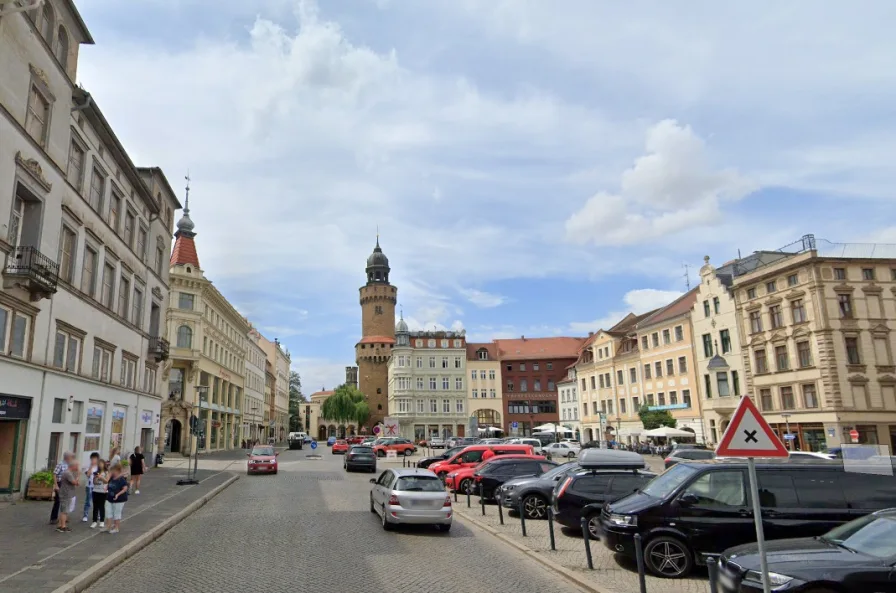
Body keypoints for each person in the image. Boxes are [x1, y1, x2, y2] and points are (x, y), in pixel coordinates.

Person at [49, 452, 73, 525]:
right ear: (66, 457)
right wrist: (56, 485)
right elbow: (54, 474)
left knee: (66, 501)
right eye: (70, 457)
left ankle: (64, 518)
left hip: (67, 485)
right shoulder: (60, 464)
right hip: (60, 484)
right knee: (58, 501)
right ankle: (53, 518)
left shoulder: (69, 465)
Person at [57, 460, 80, 533]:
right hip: (66, 493)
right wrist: (78, 476)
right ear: (73, 466)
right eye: (76, 466)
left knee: (64, 510)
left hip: (66, 493)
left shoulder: (68, 473)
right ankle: (63, 526)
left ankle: (60, 525)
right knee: (65, 511)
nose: (77, 467)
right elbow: (74, 482)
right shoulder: (68, 473)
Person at [105, 464, 129, 534]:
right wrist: (106, 487)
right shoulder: (112, 477)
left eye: (113, 471)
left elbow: (125, 489)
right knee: (108, 512)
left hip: (119, 499)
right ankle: (108, 526)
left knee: (116, 513)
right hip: (110, 498)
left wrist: (118, 494)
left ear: (117, 471)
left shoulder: (121, 479)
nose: (112, 472)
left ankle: (116, 528)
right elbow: (108, 484)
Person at [90, 459, 109, 529]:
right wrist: (95, 478)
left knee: (101, 506)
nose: (100, 465)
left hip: (103, 491)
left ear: (104, 464)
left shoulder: (106, 472)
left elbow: (106, 481)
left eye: (101, 464)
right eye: (99, 464)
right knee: (95, 506)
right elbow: (94, 482)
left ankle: (102, 521)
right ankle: (94, 521)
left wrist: (101, 477)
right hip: (95, 490)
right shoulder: (96, 472)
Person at [82, 452, 99, 522]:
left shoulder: (99, 467)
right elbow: (88, 475)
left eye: (95, 459)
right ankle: (85, 515)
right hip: (89, 486)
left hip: (97, 486)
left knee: (97, 501)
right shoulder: (87, 466)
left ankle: (98, 514)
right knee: (88, 501)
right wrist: (91, 466)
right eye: (92, 459)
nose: (93, 460)